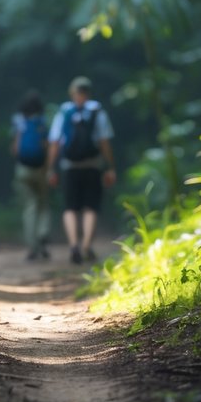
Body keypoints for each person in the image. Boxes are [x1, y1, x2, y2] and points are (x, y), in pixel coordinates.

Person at [47, 76, 117, 264]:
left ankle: (73, 245)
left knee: (70, 208)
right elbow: (104, 142)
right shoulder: (97, 111)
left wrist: (51, 168)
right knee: (90, 207)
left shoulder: (64, 112)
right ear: (89, 93)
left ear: (72, 93)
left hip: (69, 167)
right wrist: (110, 167)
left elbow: (54, 143)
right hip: (92, 166)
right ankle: (86, 245)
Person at [11, 89, 51, 261]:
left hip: (23, 169)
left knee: (30, 206)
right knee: (42, 203)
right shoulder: (43, 122)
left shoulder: (19, 122)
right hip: (41, 168)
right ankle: (42, 234)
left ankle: (32, 244)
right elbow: (47, 146)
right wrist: (49, 168)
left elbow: (15, 149)